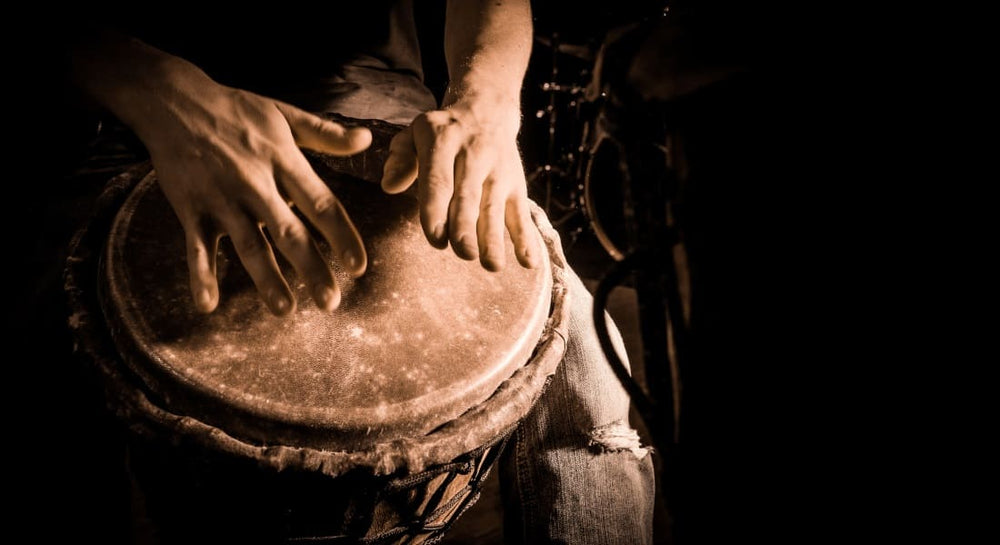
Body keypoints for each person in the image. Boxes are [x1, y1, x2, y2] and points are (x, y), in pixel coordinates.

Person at [66, 1, 655, 543]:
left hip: (373, 116)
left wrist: (486, 101)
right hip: (138, 121)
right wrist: (157, 90)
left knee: (582, 353)